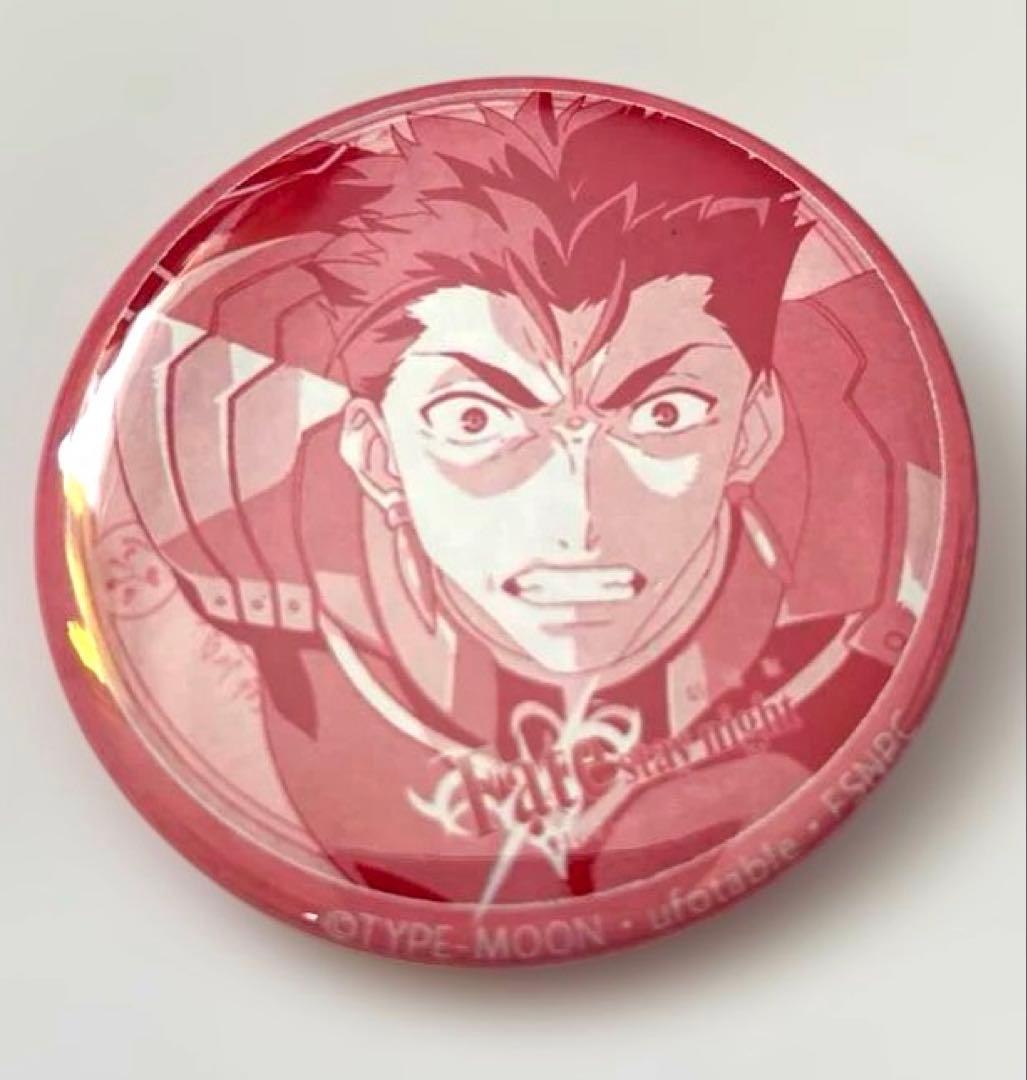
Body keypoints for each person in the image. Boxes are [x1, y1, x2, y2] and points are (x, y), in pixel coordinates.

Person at [112, 92, 941, 903]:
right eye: (474, 419)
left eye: (662, 413)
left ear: (754, 429)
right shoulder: (238, 568)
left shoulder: (876, 564)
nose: (576, 522)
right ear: (376, 453)